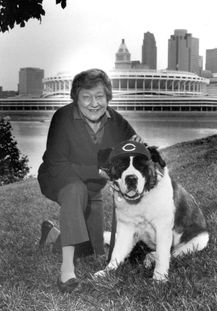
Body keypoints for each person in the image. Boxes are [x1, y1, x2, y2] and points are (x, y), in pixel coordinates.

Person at [38, 68, 143, 293]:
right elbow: (58, 165)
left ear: (108, 98)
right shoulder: (63, 117)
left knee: (90, 251)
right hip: (58, 179)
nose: (93, 103)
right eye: (86, 97)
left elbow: (132, 149)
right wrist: (100, 171)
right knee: (75, 190)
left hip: (93, 188)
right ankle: (67, 272)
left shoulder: (116, 120)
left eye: (99, 97)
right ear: (76, 99)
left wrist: (137, 146)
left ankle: (51, 234)